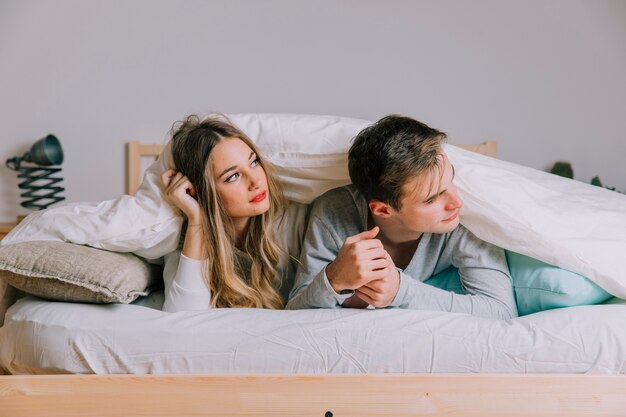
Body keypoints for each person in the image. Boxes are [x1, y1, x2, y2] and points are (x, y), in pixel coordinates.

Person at [286, 115, 518, 319]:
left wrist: (400, 291)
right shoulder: (335, 211)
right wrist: (334, 278)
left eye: (451, 180)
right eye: (431, 199)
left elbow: (502, 311)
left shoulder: (463, 219)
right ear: (383, 210)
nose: (456, 202)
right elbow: (294, 313)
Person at [160, 114, 304, 312]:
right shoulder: (186, 239)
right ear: (200, 191)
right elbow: (182, 318)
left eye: (254, 162)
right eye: (233, 176)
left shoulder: (296, 220)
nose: (256, 181)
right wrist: (198, 219)